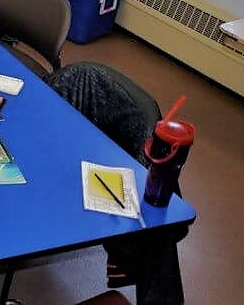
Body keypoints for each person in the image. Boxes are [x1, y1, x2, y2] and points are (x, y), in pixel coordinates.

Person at [45, 62, 185, 305]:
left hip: (116, 161)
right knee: (156, 222)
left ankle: (134, 252)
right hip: (103, 140)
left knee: (152, 220)